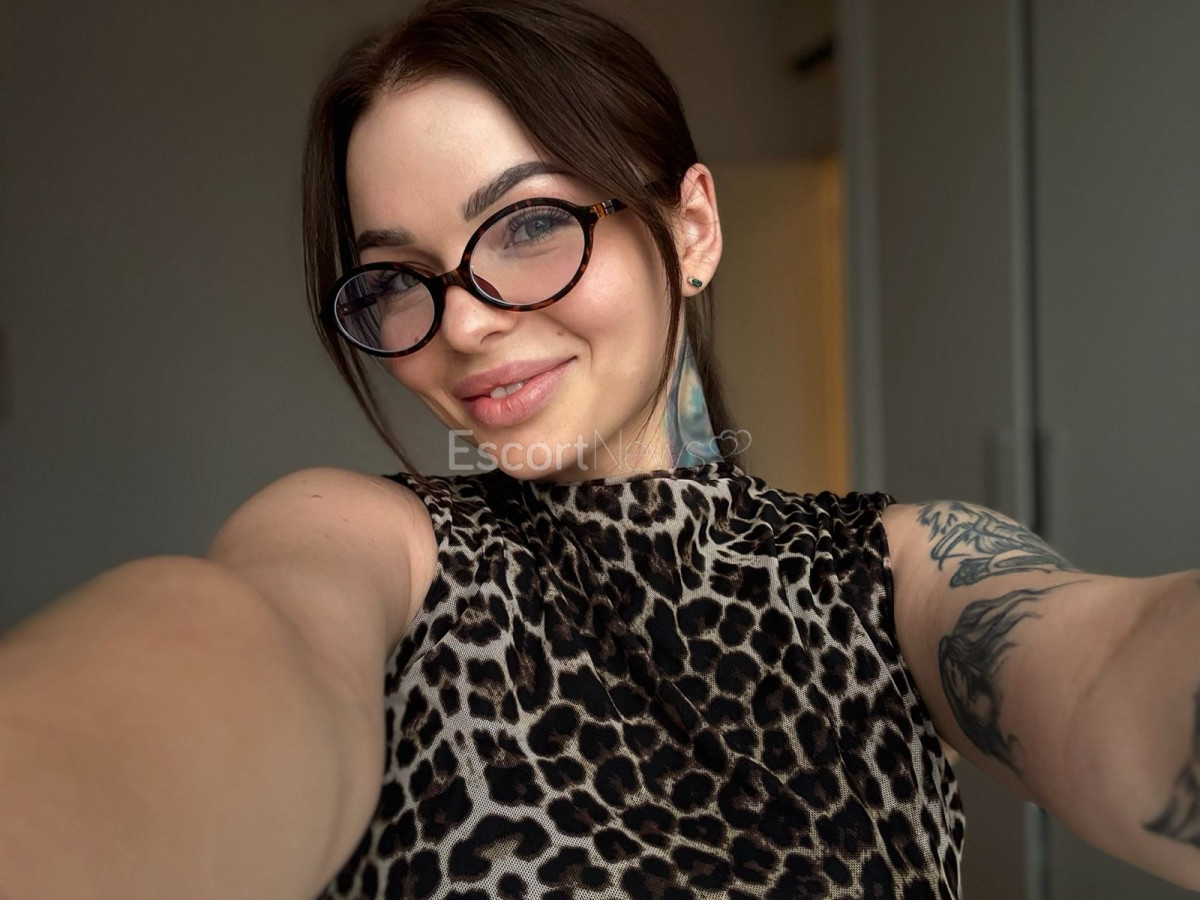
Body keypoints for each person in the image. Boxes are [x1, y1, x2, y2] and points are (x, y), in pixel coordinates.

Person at [1, 0, 1198, 898]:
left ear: (692, 228)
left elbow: (1109, 679)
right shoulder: (375, 547)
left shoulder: (902, 574)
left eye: (527, 225)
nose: (463, 323)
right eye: (397, 277)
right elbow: (232, 659)